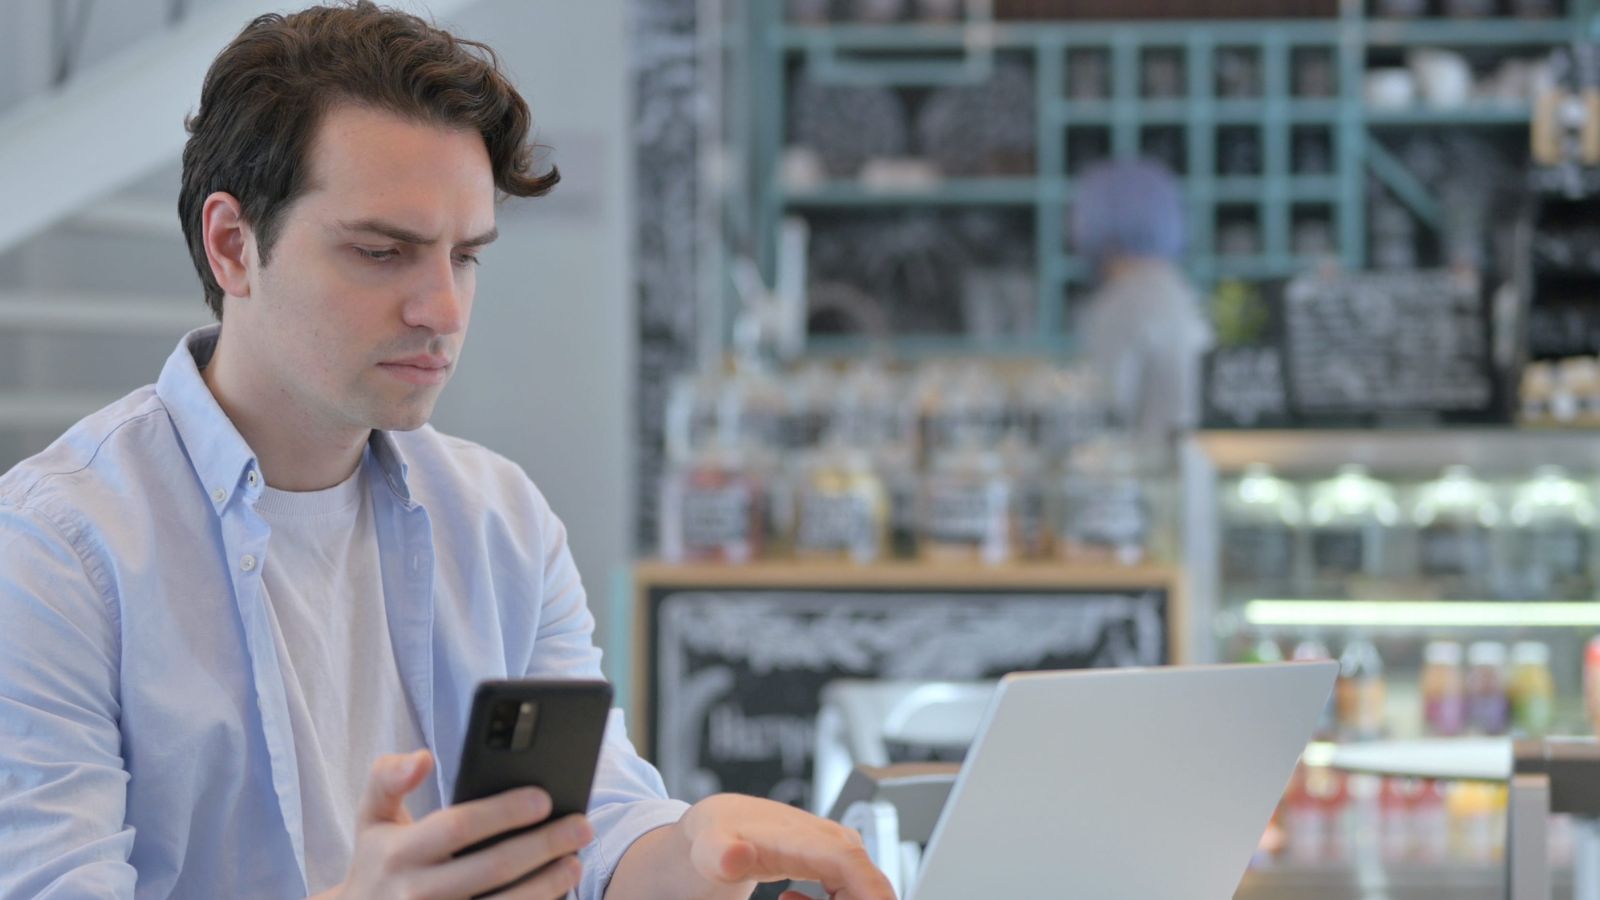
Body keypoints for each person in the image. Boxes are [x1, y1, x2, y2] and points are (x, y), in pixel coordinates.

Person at [0, 4, 894, 900]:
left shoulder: (502, 519)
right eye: (382, 252)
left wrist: (694, 849)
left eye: (465, 256)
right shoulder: (54, 551)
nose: (444, 309)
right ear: (233, 246)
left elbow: (594, 833)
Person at [1071, 160, 1214, 447]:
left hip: (1150, 463)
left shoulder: (1124, 300)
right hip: (1189, 461)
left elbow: (1105, 409)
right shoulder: (1177, 289)